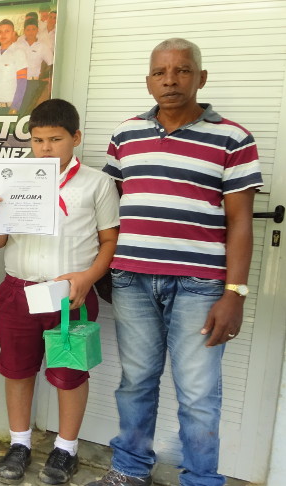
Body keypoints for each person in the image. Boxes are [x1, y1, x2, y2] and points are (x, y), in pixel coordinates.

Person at [86, 38, 263, 486]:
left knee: (199, 395)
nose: (170, 80)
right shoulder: (125, 136)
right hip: (132, 281)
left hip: (199, 287)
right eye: (161, 72)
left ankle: (201, 480)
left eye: (182, 70)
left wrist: (234, 293)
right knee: (136, 382)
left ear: (201, 78)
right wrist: (104, 271)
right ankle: (129, 469)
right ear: (148, 81)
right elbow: (110, 209)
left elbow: (241, 222)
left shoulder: (233, 138)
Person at [0, 99, 119, 485]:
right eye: (37, 140)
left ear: (75, 138)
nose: (45, 148)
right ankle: (19, 442)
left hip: (71, 295)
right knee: (17, 369)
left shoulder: (97, 183)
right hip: (18, 291)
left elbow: (110, 240)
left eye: (55, 139)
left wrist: (89, 277)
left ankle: (66, 448)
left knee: (69, 372)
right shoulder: (12, 179)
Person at [0, 19, 28, 115]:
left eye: (7, 31)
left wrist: (15, 107)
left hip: (8, 108)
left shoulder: (19, 53)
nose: (3, 35)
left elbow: (22, 83)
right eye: (0, 32)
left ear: (13, 33)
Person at [18, 18, 53, 116]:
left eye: (33, 29)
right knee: (17, 108)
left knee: (28, 109)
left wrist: (48, 77)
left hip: (33, 83)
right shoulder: (18, 46)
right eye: (28, 29)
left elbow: (51, 63)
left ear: (37, 30)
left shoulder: (42, 46)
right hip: (17, 82)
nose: (31, 32)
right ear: (24, 31)